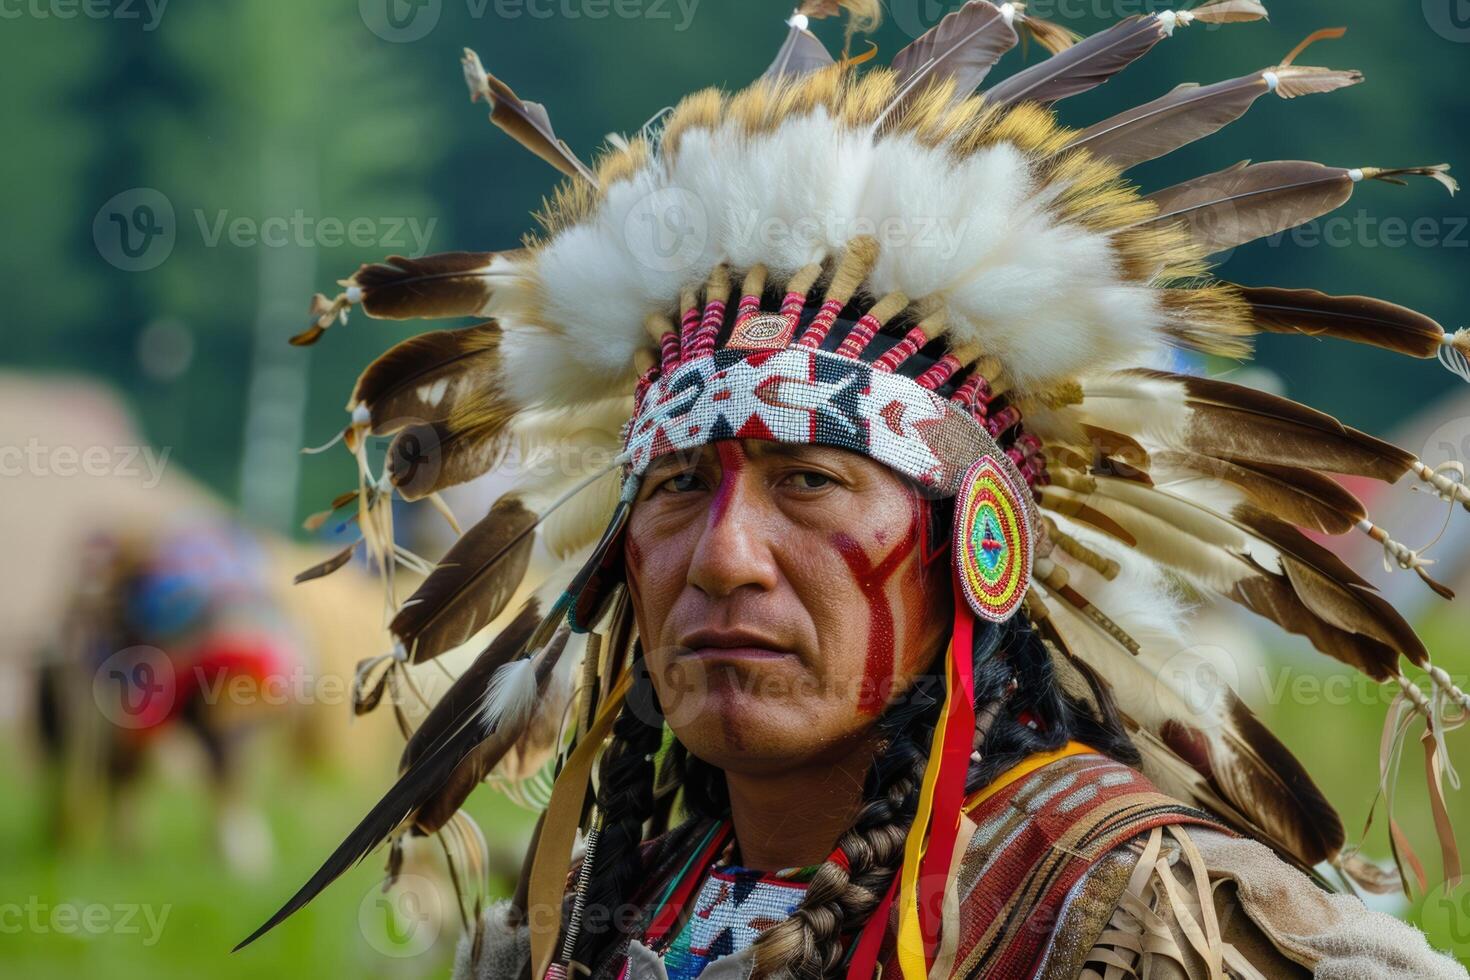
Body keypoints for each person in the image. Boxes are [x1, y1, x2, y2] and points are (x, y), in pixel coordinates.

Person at [239, 1, 1470, 976]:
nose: (723, 557)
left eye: (812, 479)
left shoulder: (1140, 919)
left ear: (978, 541)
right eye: (673, 488)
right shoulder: (589, 919)